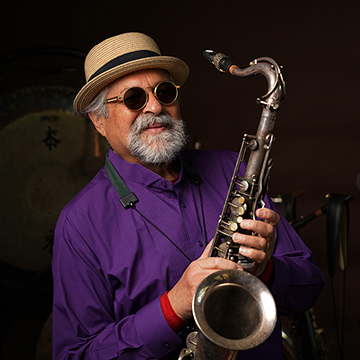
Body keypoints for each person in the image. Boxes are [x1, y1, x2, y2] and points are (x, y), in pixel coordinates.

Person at [52, 32, 325, 359]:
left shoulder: (231, 170)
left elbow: (309, 286)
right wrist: (174, 305)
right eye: (134, 98)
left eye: (164, 92)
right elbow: (75, 355)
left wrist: (265, 271)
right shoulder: (80, 223)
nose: (155, 106)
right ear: (99, 120)